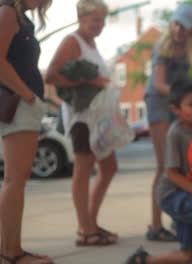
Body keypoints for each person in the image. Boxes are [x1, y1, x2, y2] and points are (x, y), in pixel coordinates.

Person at [126, 79, 192, 264]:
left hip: (190, 194)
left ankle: (142, 260)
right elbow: (172, 173)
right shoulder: (176, 133)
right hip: (172, 194)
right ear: (176, 109)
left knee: (186, 254)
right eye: (191, 105)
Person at [45, 0, 118, 246]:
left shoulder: (91, 43)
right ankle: (85, 230)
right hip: (81, 118)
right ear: (81, 17)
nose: (101, 25)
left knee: (109, 166)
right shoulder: (72, 41)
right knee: (83, 168)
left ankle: (91, 222)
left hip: (98, 118)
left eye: (103, 20)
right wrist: (89, 83)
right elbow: (52, 75)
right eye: (96, 19)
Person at [0, 0, 54, 263]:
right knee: (15, 179)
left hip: (24, 104)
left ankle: (11, 248)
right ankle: (11, 252)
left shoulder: (22, 18)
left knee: (16, 179)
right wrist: (28, 96)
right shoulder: (8, 12)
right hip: (19, 104)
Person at [144, 3, 192, 241]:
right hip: (159, 103)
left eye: (184, 26)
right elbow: (159, 84)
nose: (178, 29)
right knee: (165, 165)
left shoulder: (191, 49)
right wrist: (186, 97)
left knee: (182, 165)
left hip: (179, 103)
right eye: (176, 23)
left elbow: (189, 81)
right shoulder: (163, 46)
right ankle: (155, 226)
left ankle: (180, 217)